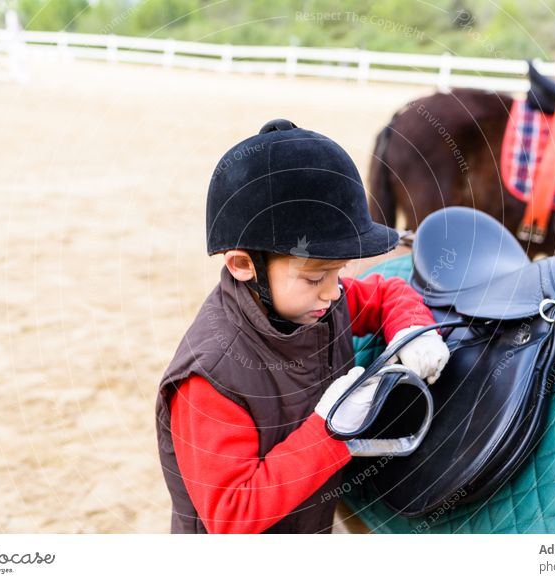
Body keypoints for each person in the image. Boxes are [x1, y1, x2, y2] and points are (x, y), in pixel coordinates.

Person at [155, 119, 450, 534]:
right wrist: (329, 429)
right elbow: (231, 515)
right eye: (315, 277)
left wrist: (412, 329)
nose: (333, 293)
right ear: (243, 265)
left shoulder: (317, 302)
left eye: (338, 272)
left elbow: (386, 292)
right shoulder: (211, 377)